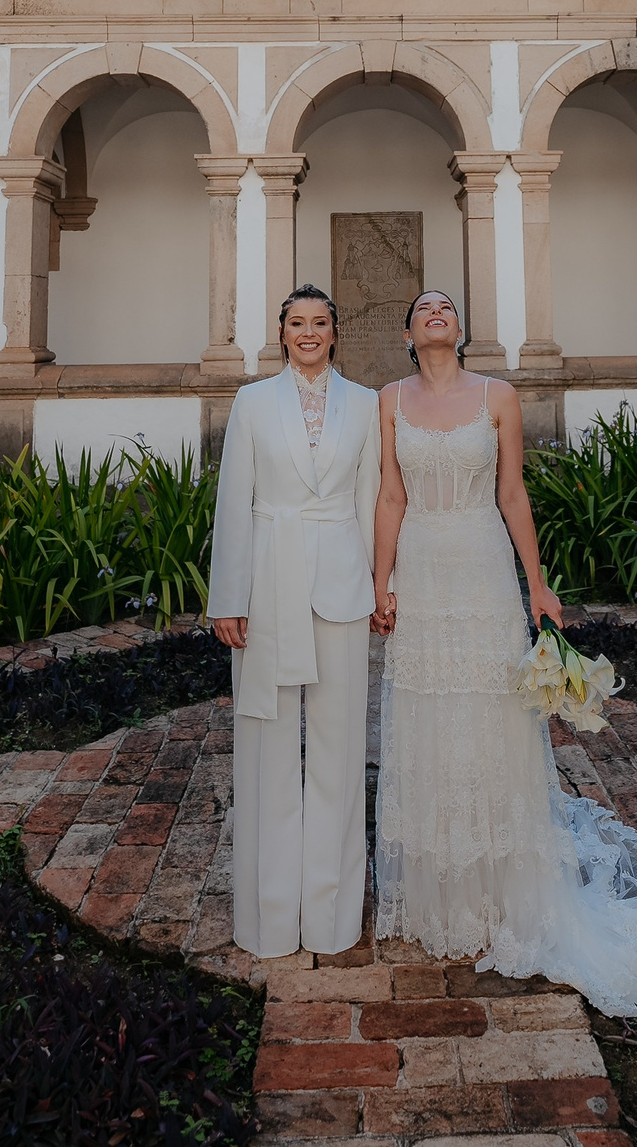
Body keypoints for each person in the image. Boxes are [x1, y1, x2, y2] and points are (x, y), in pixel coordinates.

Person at [369, 289, 637, 1031]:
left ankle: (504, 887)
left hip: (484, 566)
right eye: (424, 308)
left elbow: (513, 491)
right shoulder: (388, 400)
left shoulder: (499, 395)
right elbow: (390, 496)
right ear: (407, 333)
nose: (437, 312)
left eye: (447, 307)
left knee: (492, 714)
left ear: (459, 330)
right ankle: (443, 890)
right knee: (430, 712)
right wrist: (381, 580)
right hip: (422, 572)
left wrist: (538, 583)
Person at [207, 285, 382, 958]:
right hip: (267, 584)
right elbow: (234, 501)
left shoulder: (366, 405)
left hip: (340, 588)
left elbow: (370, 502)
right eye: (296, 323)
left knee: (339, 752)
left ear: (336, 332)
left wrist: (379, 587)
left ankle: (334, 917)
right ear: (281, 333)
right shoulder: (252, 402)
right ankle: (269, 918)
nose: (308, 333)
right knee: (267, 751)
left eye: (320, 323)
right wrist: (229, 597)